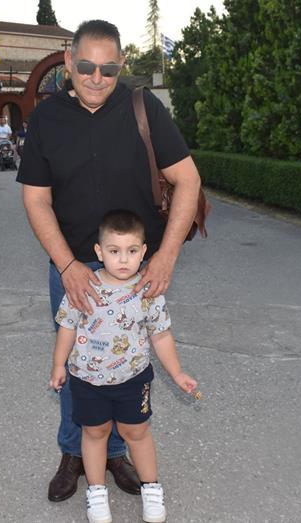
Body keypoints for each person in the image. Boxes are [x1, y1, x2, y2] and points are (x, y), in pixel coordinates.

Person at [16, 19, 202, 503]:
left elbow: (188, 180)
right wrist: (67, 266)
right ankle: (73, 452)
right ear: (68, 61)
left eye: (108, 69)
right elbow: (36, 199)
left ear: (121, 65)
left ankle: (116, 451)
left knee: (128, 362)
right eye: (85, 66)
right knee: (78, 365)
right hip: (73, 267)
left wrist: (166, 256)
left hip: (133, 270)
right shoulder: (47, 119)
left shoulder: (144, 107)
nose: (96, 77)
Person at [49, 209, 197, 523]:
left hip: (133, 379)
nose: (123, 260)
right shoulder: (84, 286)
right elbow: (67, 328)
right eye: (114, 251)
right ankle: (96, 492)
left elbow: (161, 335)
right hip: (88, 380)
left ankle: (151, 487)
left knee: (137, 432)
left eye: (131, 251)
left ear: (143, 252)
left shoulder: (148, 291)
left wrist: (177, 372)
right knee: (95, 433)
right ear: (99, 252)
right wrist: (58, 364)